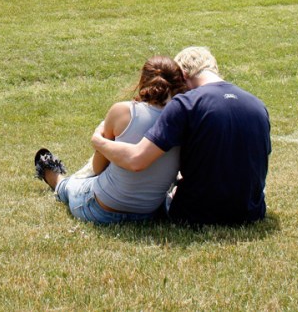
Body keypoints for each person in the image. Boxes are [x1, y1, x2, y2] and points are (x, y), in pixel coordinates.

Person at [91, 46, 271, 226]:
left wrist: (99, 141)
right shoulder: (258, 106)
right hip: (251, 211)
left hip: (197, 214)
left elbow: (137, 159)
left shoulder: (186, 104)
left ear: (184, 75)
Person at [34, 56, 186, 225]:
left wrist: (99, 139)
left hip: (101, 209)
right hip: (148, 213)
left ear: (143, 81)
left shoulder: (123, 111)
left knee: (73, 186)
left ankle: (55, 179)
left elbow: (98, 168)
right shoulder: (184, 121)